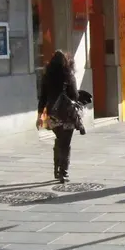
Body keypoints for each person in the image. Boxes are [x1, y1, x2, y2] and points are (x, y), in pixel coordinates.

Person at [36, 50, 82, 184]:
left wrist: (39, 116)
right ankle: (64, 173)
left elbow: (42, 98)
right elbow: (75, 95)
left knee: (59, 139)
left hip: (53, 115)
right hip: (67, 114)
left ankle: (56, 169)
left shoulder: (47, 76)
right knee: (65, 143)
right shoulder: (69, 76)